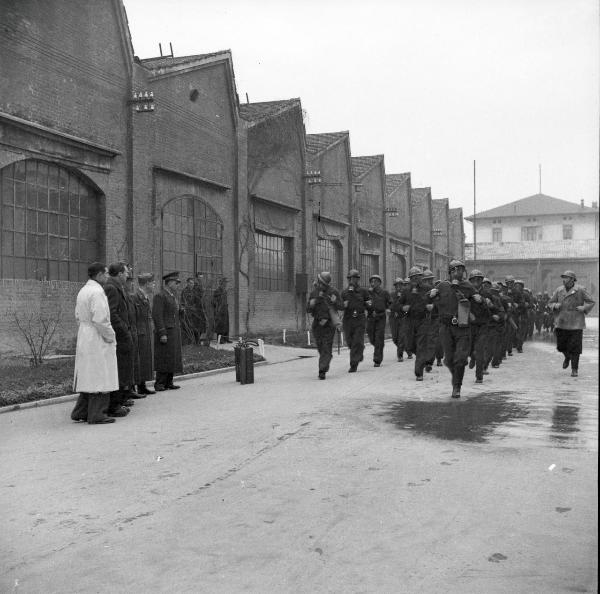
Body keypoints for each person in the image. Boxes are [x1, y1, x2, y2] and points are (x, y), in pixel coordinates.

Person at [71, 262, 118, 424]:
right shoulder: (98, 292)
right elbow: (101, 319)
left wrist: (86, 330)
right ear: (98, 275)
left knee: (88, 374)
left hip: (85, 333)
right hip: (97, 336)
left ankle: (80, 411)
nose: (107, 276)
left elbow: (78, 316)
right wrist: (110, 336)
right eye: (105, 274)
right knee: (100, 374)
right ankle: (97, 414)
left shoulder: (83, 290)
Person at [429, 260, 479, 398]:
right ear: (450, 272)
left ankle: (457, 386)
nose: (460, 273)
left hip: (462, 327)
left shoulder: (468, 286)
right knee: (449, 359)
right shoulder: (442, 286)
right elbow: (428, 302)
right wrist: (431, 295)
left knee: (460, 359)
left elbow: (477, 305)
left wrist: (477, 299)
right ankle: (457, 371)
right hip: (445, 328)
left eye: (462, 270)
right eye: (456, 270)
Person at [548, 270, 595, 377]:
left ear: (572, 279)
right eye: (563, 278)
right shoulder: (559, 290)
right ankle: (567, 357)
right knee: (561, 346)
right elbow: (550, 303)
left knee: (575, 347)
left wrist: (584, 308)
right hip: (562, 321)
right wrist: (555, 305)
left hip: (576, 322)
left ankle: (574, 369)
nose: (564, 280)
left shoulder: (580, 290)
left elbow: (591, 302)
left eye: (567, 277)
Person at [104, 262, 134, 417]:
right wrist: (123, 330)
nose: (128, 275)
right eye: (126, 272)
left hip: (121, 334)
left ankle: (120, 401)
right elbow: (112, 313)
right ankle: (115, 405)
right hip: (119, 336)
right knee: (119, 369)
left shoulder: (116, 287)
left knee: (123, 368)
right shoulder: (111, 288)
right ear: (120, 274)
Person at [306, 271, 342, 380]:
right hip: (317, 324)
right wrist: (311, 304)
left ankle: (322, 370)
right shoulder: (314, 292)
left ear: (326, 283)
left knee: (326, 347)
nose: (320, 284)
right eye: (319, 282)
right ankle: (326, 357)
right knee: (321, 347)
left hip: (329, 324)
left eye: (322, 282)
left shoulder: (333, 292)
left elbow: (341, 306)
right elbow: (308, 309)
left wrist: (335, 302)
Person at [153, 271, 184, 390]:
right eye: (176, 283)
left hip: (174, 330)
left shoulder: (172, 296)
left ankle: (169, 382)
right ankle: (159, 383)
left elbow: (173, 314)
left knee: (172, 356)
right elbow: (157, 315)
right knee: (163, 357)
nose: (177, 285)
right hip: (166, 331)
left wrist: (181, 311)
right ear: (169, 283)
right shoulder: (160, 296)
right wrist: (162, 332)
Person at [341, 269, 372, 373]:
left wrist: (369, 305)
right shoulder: (344, 292)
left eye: (354, 278)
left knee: (357, 341)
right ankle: (359, 351)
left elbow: (370, 304)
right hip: (348, 319)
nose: (352, 280)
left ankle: (353, 364)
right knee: (350, 341)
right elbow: (340, 305)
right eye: (350, 278)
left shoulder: (363, 291)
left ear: (358, 279)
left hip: (359, 318)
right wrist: (342, 305)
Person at [133, 272, 155, 395]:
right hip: (140, 332)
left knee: (145, 359)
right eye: (152, 283)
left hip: (145, 331)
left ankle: (142, 385)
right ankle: (138, 386)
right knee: (140, 359)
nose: (153, 285)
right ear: (146, 284)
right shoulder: (136, 297)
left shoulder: (145, 297)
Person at [366, 274, 391, 367]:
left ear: (379, 283)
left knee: (379, 337)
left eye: (375, 281)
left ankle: (377, 359)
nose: (373, 283)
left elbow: (390, 303)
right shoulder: (368, 293)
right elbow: (364, 303)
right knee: (371, 336)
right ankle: (379, 346)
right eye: (371, 282)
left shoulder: (384, 293)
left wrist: (388, 310)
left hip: (381, 317)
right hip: (371, 317)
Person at [389, 277, 409, 362]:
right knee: (395, 338)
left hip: (403, 317)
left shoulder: (406, 295)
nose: (398, 287)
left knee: (401, 336)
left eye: (400, 285)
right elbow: (390, 305)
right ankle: (407, 349)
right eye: (396, 285)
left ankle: (400, 355)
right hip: (393, 318)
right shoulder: (392, 295)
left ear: (403, 286)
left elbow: (407, 306)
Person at [212, 277, 230, 343]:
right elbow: (214, 301)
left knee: (226, 324)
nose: (226, 284)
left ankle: (226, 338)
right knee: (220, 325)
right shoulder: (217, 291)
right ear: (221, 283)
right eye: (225, 283)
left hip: (225, 309)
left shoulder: (225, 290)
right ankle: (220, 339)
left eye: (226, 283)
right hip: (220, 310)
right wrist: (217, 308)